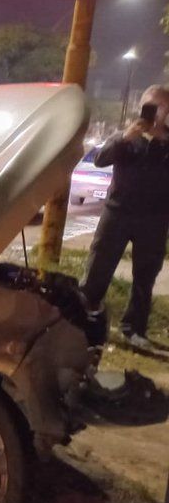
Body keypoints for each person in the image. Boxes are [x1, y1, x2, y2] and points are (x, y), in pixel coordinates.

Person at [81, 85, 169, 351]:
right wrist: (126, 137)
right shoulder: (127, 137)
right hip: (117, 214)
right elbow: (99, 159)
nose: (156, 112)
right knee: (97, 270)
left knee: (145, 278)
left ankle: (134, 329)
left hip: (154, 220)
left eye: (162, 106)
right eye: (151, 106)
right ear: (141, 106)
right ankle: (83, 323)